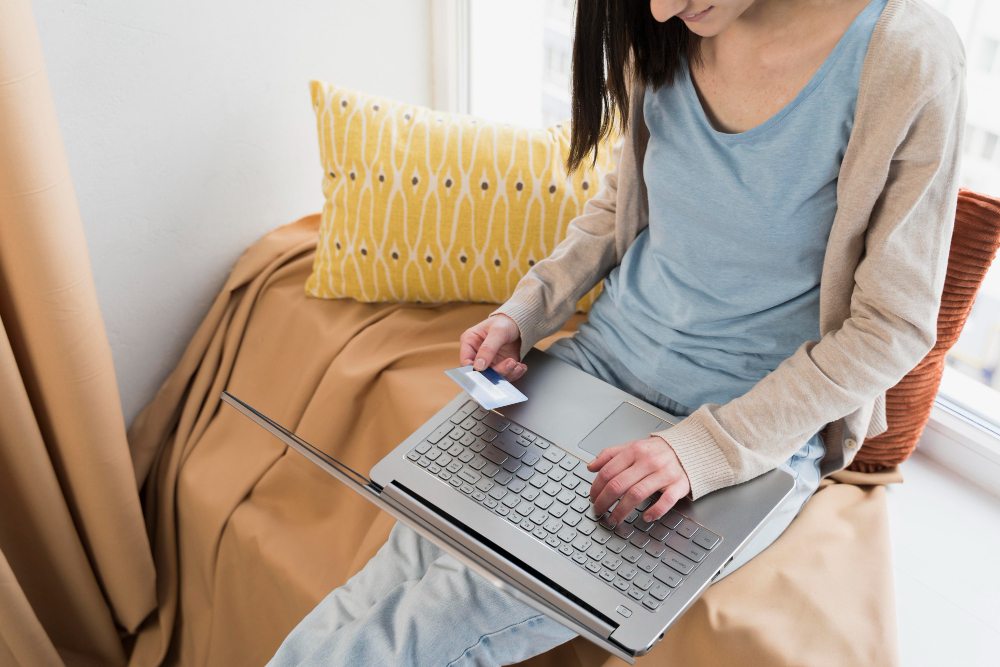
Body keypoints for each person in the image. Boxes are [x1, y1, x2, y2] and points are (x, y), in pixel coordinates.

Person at [269, 0, 965, 664]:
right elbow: (619, 203)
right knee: (399, 561)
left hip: (740, 431)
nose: (658, 13)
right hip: (592, 365)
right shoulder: (672, 22)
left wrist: (701, 450)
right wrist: (526, 311)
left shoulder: (905, 58)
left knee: (436, 616)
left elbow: (891, 327)